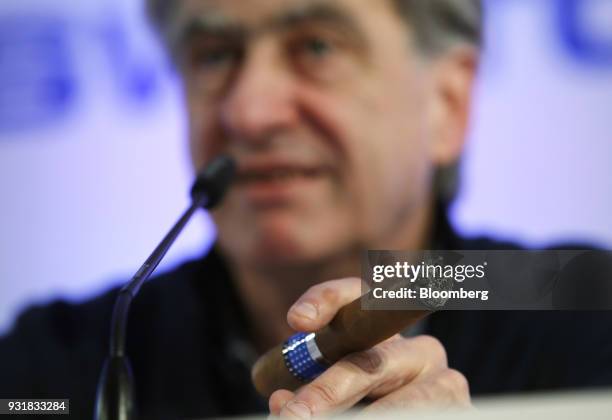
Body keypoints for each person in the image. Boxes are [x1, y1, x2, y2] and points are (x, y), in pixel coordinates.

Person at [1, 0, 611, 419]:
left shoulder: (578, 312)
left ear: (446, 105)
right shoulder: (59, 364)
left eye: (316, 46)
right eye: (214, 55)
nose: (250, 112)